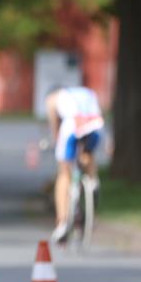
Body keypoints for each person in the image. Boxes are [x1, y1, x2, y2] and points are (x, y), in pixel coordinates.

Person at [45, 84, 104, 243]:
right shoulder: (89, 93)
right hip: (95, 123)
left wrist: (56, 140)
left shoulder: (53, 98)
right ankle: (93, 181)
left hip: (72, 125)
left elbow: (54, 125)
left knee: (64, 172)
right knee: (88, 154)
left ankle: (62, 223)